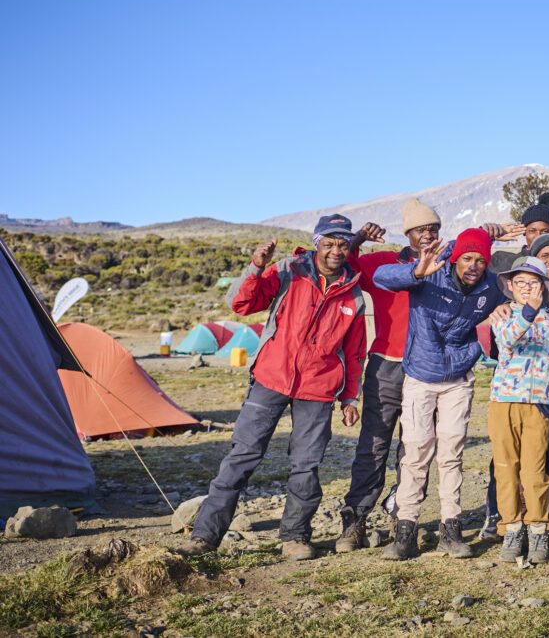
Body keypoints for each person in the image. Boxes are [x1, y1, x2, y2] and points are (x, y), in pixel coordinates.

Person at [179, 215, 369, 561]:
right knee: (242, 456)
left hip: (318, 388)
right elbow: (241, 304)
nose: (335, 251)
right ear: (316, 244)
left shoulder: (353, 295)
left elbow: (355, 353)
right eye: (328, 243)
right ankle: (204, 536)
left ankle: (295, 537)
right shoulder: (289, 270)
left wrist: (349, 397)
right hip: (271, 378)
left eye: (342, 244)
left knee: (306, 464)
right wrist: (256, 267)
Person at [374, 228, 502, 560]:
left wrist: (507, 308)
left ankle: (450, 529)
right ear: (456, 258)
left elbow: (516, 296)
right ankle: (405, 530)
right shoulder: (430, 272)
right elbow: (380, 277)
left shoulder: (491, 287)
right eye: (467, 258)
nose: (473, 266)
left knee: (451, 452)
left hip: (458, 377)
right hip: (420, 375)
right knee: (415, 452)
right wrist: (415, 272)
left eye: (480, 260)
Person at [336, 199, 436, 552]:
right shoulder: (383, 262)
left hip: (427, 369)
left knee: (416, 446)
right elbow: (343, 264)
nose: (428, 235)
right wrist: (359, 238)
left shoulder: (445, 265)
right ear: (408, 233)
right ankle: (355, 519)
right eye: (421, 229)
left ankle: (403, 516)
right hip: (386, 365)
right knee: (374, 444)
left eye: (433, 229)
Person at [489, 256, 549, 564]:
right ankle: (511, 528)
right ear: (510, 286)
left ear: (544, 287)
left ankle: (538, 529)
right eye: (521, 282)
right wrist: (528, 312)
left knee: (534, 470)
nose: (527, 288)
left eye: (533, 282)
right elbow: (507, 340)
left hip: (539, 404)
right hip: (504, 402)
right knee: (505, 468)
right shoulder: (502, 316)